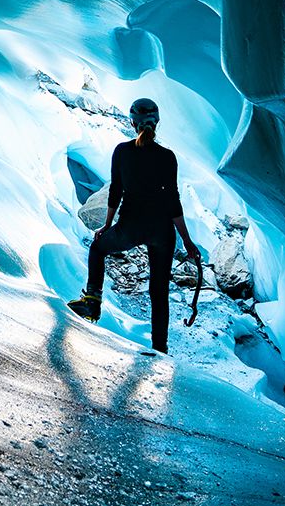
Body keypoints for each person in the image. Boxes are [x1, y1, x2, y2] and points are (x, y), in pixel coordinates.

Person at [67, 97, 201, 353]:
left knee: (98, 249)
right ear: (157, 123)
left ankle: (92, 301)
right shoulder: (168, 157)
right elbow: (173, 200)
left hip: (131, 226)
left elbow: (116, 192)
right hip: (162, 232)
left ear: (132, 122)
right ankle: (160, 349)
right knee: (158, 291)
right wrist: (187, 240)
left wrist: (107, 226)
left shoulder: (122, 152)